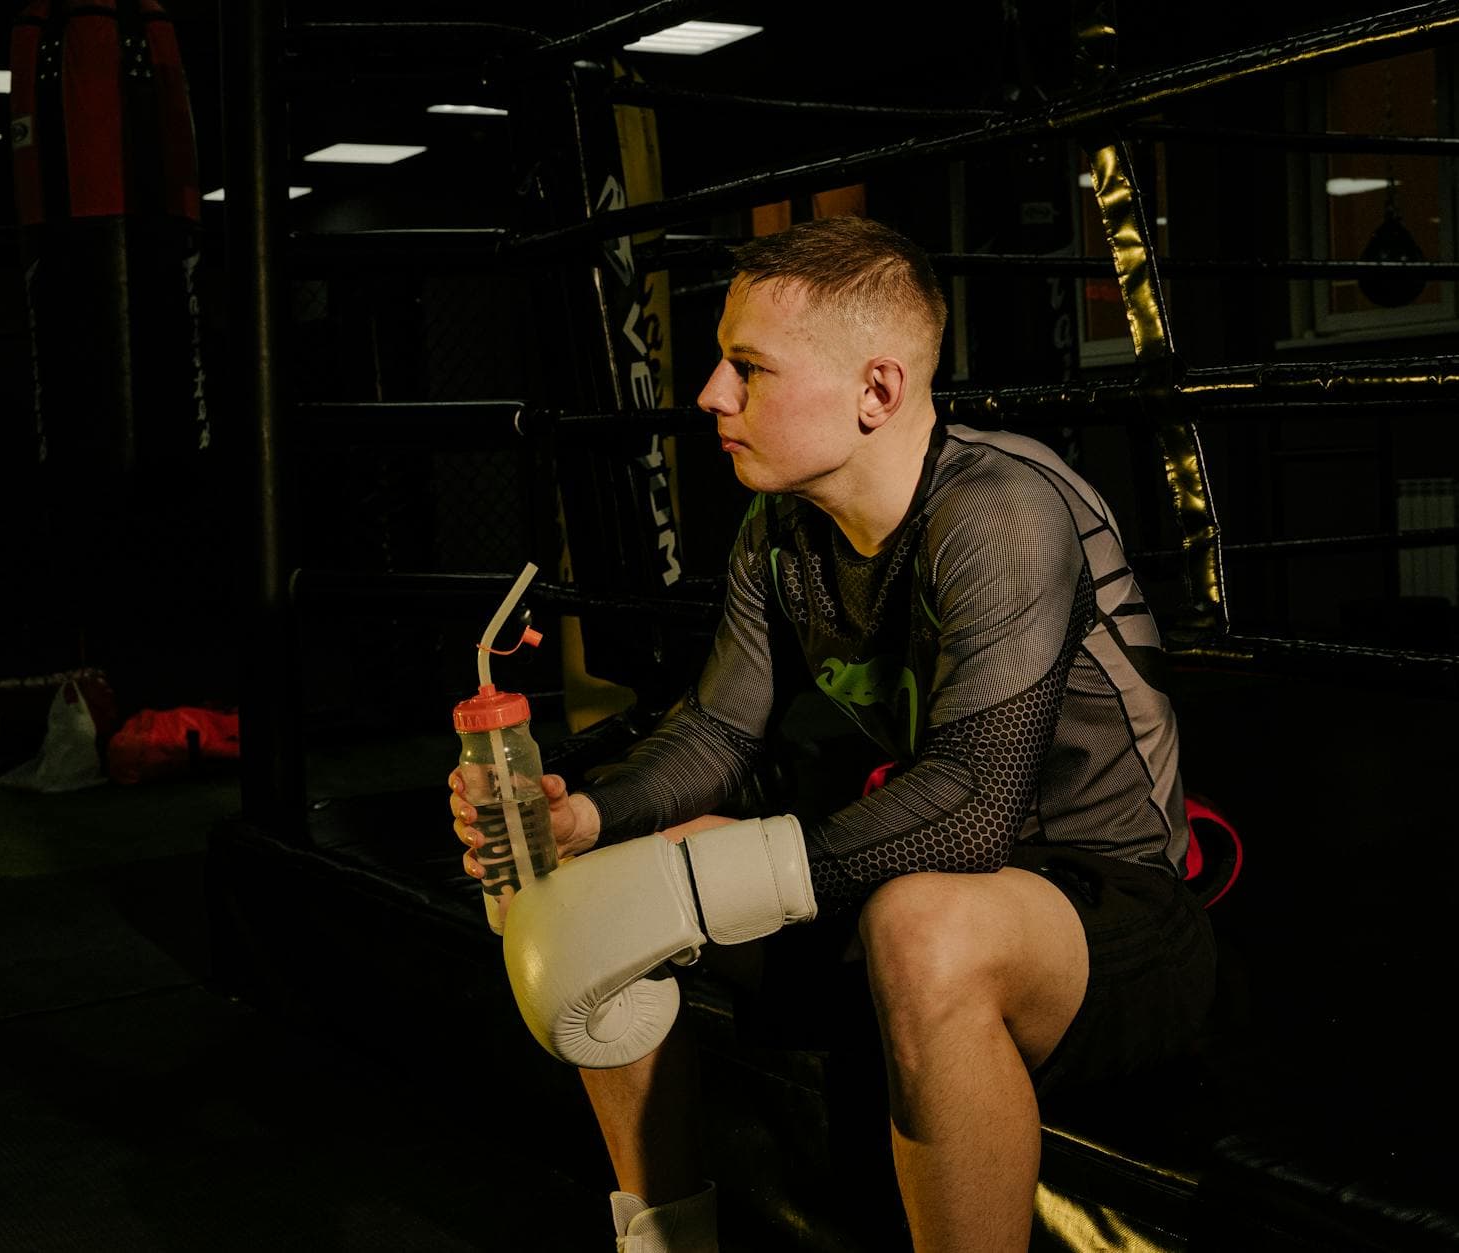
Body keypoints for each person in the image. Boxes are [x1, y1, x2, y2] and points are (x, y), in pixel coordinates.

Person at [452, 215, 1215, 1253]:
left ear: (877, 390)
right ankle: (665, 1239)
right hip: (911, 868)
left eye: (747, 368)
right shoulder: (781, 529)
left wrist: (697, 877)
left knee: (918, 923)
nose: (711, 394)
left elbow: (973, 809)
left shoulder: (1000, 511)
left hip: (1105, 913)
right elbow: (718, 730)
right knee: (633, 866)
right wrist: (583, 816)